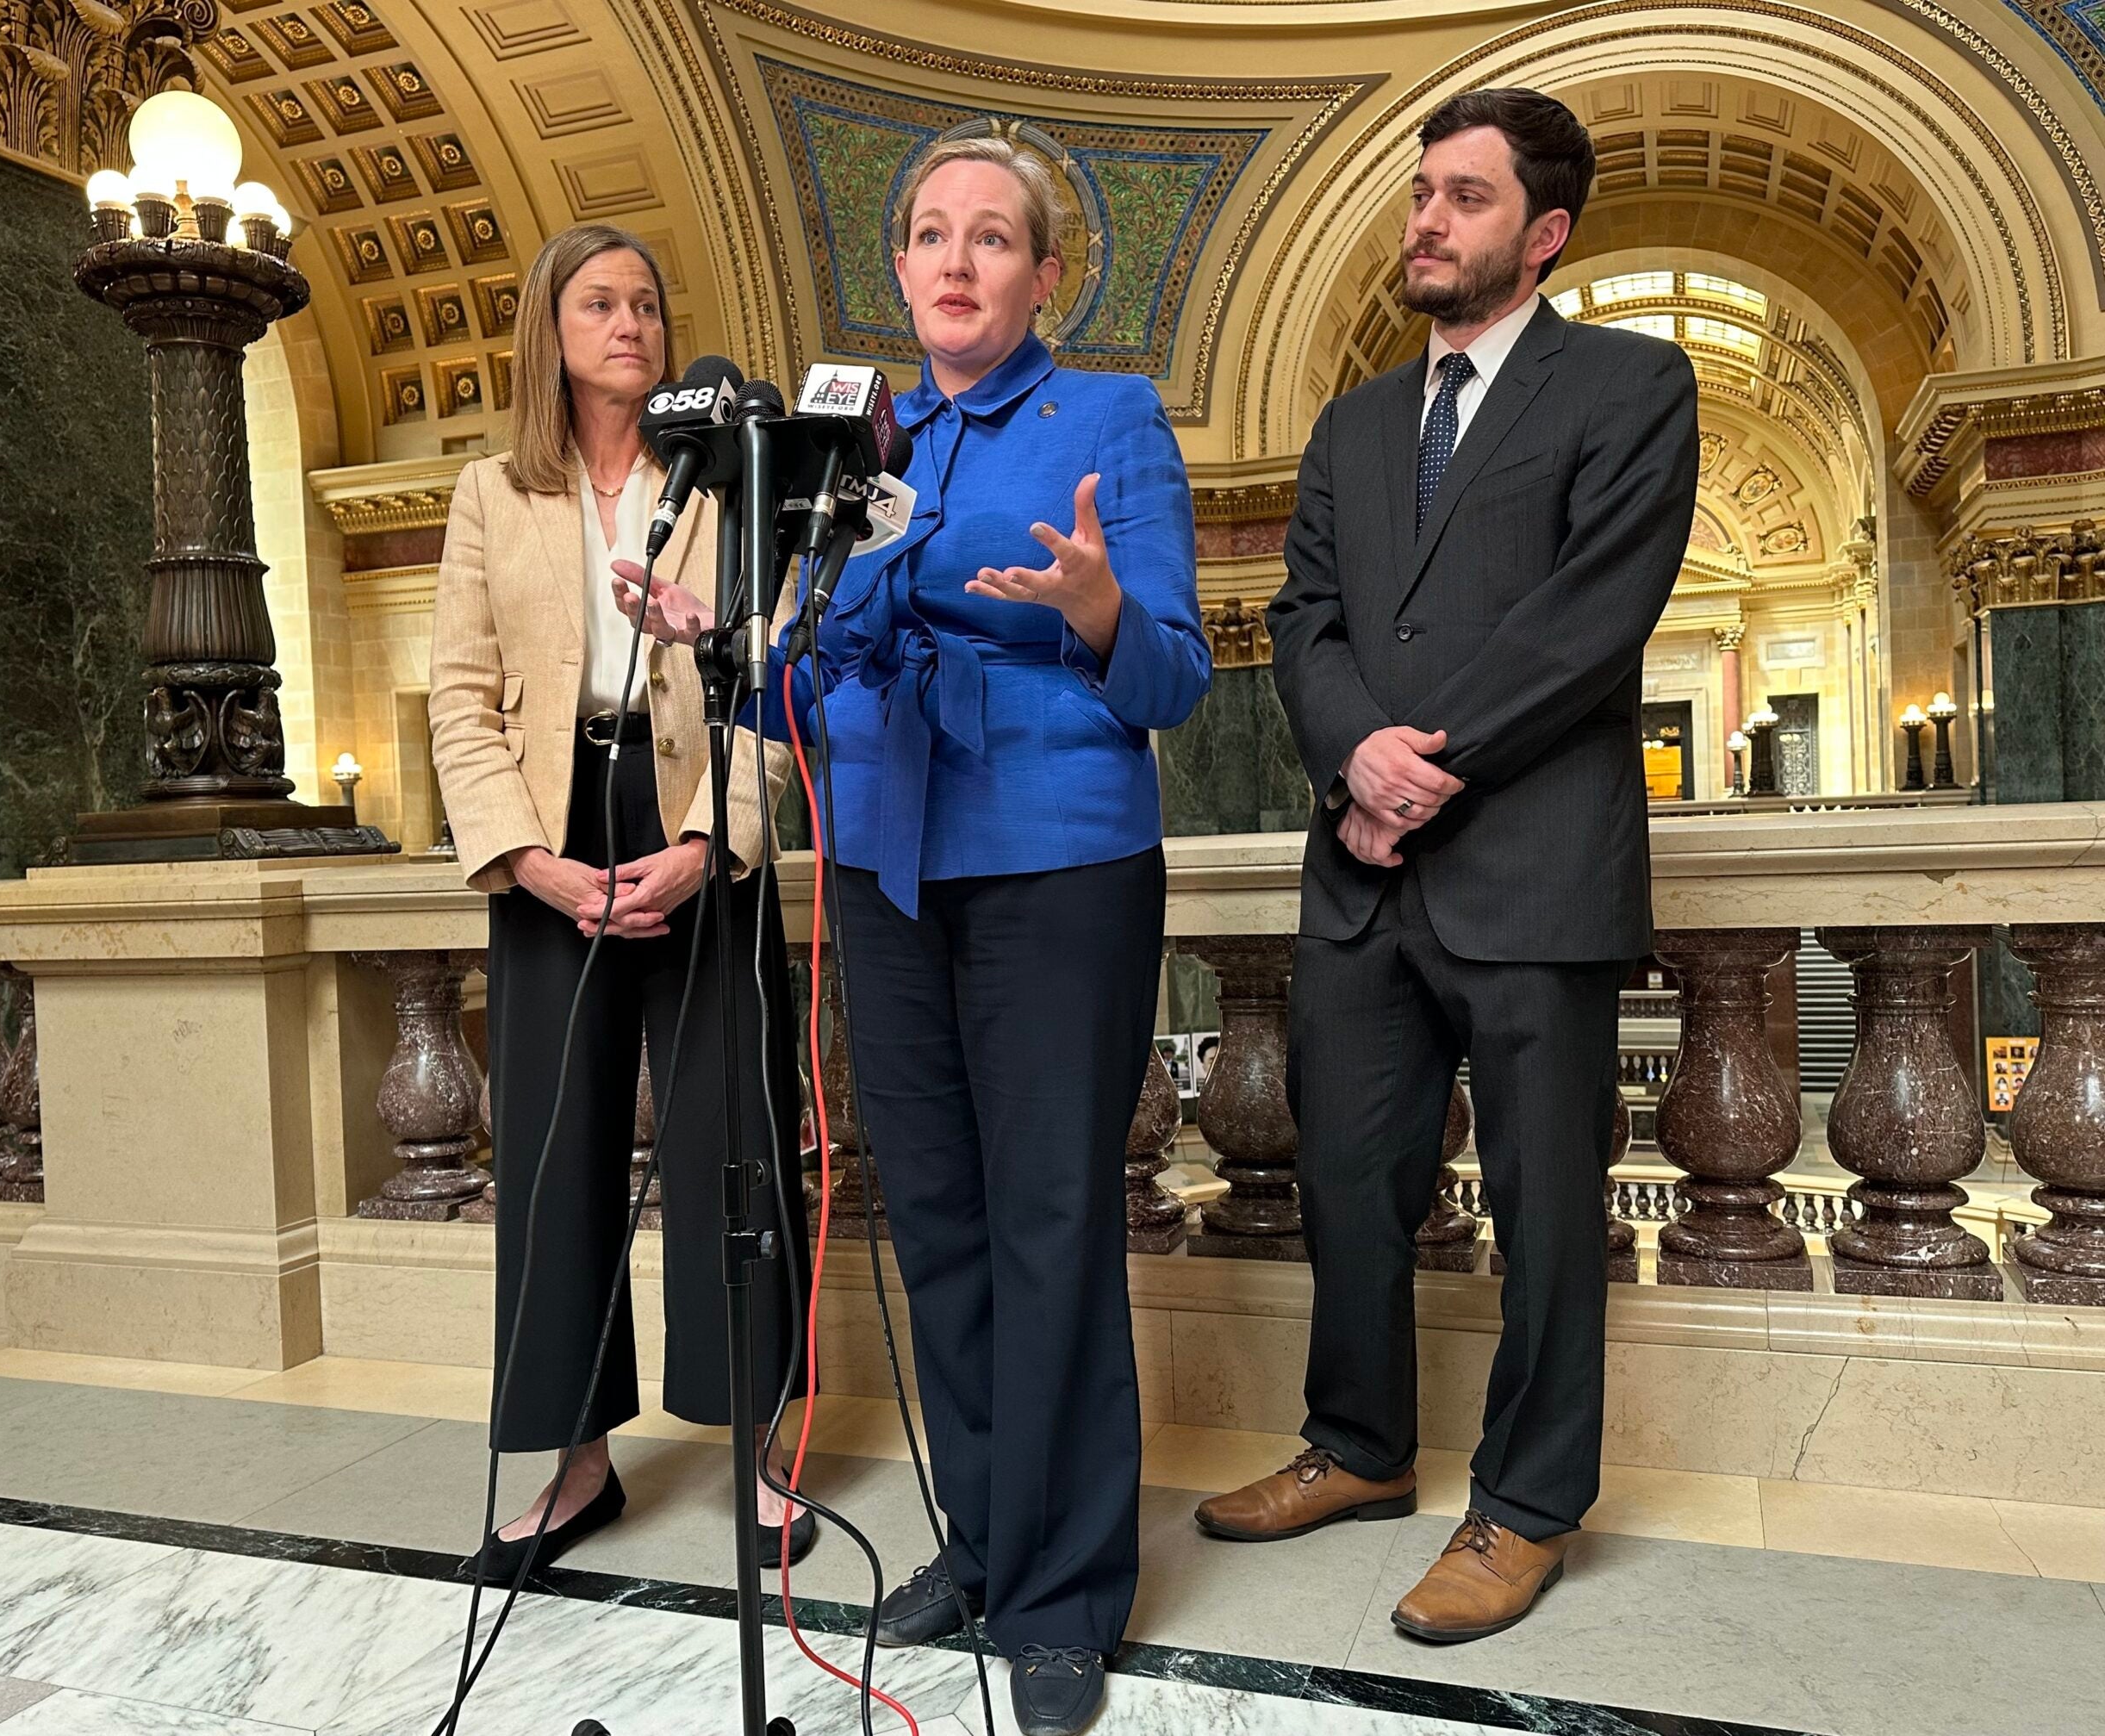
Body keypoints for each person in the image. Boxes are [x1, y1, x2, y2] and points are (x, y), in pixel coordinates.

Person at [620, 134, 1210, 1736]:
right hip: (889, 875)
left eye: (993, 237)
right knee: (937, 1224)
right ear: (899, 270)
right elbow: (807, 689)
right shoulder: (851, 446)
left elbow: (1177, 677)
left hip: (1058, 869)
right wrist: (722, 643)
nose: (958, 260)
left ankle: (1066, 1596)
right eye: (933, 235)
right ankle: (986, 1541)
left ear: (1043, 274)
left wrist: (1096, 607)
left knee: (1050, 1226)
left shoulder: (1111, 422)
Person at [1194, 90, 1696, 1641]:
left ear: (1544, 234)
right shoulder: (1351, 424)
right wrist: (1356, 754)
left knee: (1548, 1211)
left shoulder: (1632, 384)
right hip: (1362, 878)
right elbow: (1305, 619)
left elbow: (1590, 617)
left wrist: (1422, 768)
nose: (1425, 219)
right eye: (1421, 192)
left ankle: (1527, 1505)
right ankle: (1357, 1446)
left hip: (1535, 870)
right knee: (1349, 1181)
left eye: (1464, 198)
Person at [427, 221, 811, 1587]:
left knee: (735, 1144)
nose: (631, 322)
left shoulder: (729, 479)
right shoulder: (489, 493)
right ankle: (578, 1463)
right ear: (551, 327)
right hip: (549, 833)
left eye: (646, 302)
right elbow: (459, 701)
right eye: (599, 302)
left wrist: (713, 840)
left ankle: (759, 1447)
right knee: (553, 1158)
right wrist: (528, 861)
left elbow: (773, 678)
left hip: (696, 819)